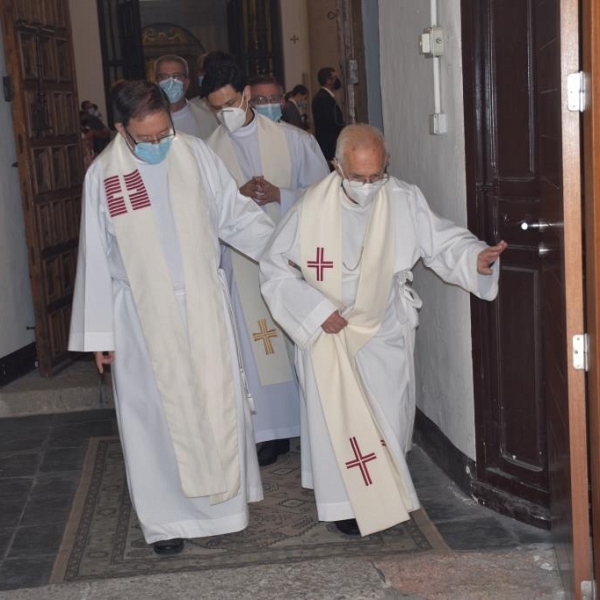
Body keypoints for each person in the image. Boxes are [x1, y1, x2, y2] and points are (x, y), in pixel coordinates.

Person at [259, 124, 507, 536]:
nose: (369, 186)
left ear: (386, 164)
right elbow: (274, 269)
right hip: (327, 332)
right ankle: (345, 503)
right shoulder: (310, 207)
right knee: (333, 417)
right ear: (337, 166)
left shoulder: (403, 199)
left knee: (387, 414)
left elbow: (441, 241)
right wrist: (316, 309)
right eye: (359, 178)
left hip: (384, 324)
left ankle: (385, 494)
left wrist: (475, 256)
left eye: (377, 176)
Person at [68, 80, 275, 555]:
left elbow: (236, 217)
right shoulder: (103, 176)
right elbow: (96, 255)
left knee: (213, 401)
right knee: (156, 417)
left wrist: (282, 251)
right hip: (141, 318)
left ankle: (224, 511)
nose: (160, 144)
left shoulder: (196, 155)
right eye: (148, 138)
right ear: (120, 130)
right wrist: (100, 331)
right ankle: (166, 523)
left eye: (165, 134)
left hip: (203, 303)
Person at [202, 63, 329, 466]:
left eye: (230, 103)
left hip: (293, 259)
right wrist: (233, 198)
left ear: (244, 95)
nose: (226, 113)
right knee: (257, 345)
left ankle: (314, 423)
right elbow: (200, 209)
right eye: (216, 108)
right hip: (242, 263)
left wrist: (282, 194)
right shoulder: (206, 152)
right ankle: (272, 432)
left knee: (300, 340)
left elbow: (326, 196)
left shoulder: (295, 141)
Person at [154, 54, 216, 139]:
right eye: (164, 77)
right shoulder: (146, 120)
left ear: (186, 83)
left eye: (176, 76)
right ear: (157, 83)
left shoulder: (208, 119)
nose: (171, 82)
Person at [311, 67, 345, 167]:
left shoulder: (320, 96)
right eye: (334, 78)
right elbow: (335, 122)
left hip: (326, 144)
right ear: (328, 81)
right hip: (330, 146)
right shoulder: (325, 98)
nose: (337, 80)